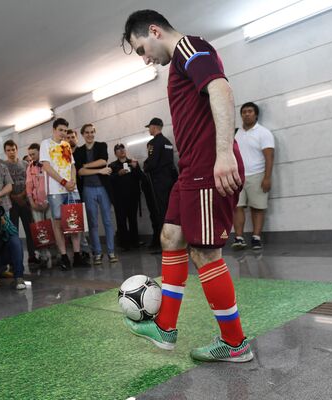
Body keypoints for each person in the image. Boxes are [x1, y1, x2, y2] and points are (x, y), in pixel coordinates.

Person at [122, 10, 252, 362]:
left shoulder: (189, 48)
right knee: (170, 236)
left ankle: (235, 342)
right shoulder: (180, 60)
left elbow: (220, 89)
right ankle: (165, 328)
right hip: (191, 171)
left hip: (209, 168)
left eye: (141, 49)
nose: (146, 59)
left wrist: (224, 152)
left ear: (153, 31)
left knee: (205, 253)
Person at [39, 118, 85, 270]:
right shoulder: (45, 144)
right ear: (54, 129)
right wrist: (64, 182)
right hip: (56, 191)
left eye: (66, 131)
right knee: (58, 224)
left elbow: (72, 165)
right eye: (61, 130)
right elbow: (46, 166)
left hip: (71, 189)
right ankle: (64, 256)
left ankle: (77, 255)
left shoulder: (66, 145)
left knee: (75, 222)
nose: (64, 133)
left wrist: (72, 181)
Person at [232, 102, 275, 250]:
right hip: (238, 177)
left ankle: (256, 238)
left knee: (257, 208)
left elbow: (269, 157)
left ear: (256, 114)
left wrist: (267, 178)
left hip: (257, 175)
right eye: (244, 112)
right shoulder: (236, 134)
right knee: (237, 207)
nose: (246, 114)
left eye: (250, 111)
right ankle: (239, 238)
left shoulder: (264, 133)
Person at [74, 124, 118, 265]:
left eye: (92, 132)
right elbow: (79, 172)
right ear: (82, 134)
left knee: (107, 221)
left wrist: (86, 165)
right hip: (88, 189)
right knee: (92, 223)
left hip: (103, 188)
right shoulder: (79, 151)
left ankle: (111, 252)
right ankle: (97, 253)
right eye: (87, 132)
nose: (90, 135)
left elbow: (103, 161)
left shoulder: (101, 145)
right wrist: (99, 171)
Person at [2, 139, 39, 266]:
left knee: (30, 229)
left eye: (13, 149)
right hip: (11, 203)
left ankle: (32, 255)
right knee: (14, 231)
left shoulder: (25, 164)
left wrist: (23, 195)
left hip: (25, 201)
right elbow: (4, 185)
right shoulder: (3, 166)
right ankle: (15, 258)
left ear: (17, 150)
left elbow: (30, 182)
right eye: (8, 150)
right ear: (5, 152)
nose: (11, 152)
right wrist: (13, 196)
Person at [143, 117, 178, 249]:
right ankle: (174, 239)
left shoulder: (153, 143)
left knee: (160, 211)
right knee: (170, 210)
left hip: (157, 182)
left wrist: (144, 166)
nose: (149, 130)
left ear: (154, 127)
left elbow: (151, 163)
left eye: (149, 127)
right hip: (169, 180)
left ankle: (164, 242)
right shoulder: (167, 142)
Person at [109, 144, 142, 250]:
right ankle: (124, 243)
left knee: (133, 219)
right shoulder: (112, 166)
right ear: (115, 153)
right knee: (121, 220)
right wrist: (118, 174)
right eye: (118, 149)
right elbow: (108, 181)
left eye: (123, 148)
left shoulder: (132, 162)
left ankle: (135, 241)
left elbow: (141, 177)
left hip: (132, 196)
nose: (121, 150)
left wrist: (136, 168)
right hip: (119, 199)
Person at [66, 129, 92, 261]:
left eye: (72, 137)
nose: (70, 139)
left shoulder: (82, 152)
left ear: (76, 138)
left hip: (84, 190)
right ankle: (78, 250)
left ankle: (85, 249)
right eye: (68, 137)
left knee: (84, 224)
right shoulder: (64, 153)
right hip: (71, 193)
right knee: (74, 223)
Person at [26, 143, 50, 267]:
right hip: (35, 203)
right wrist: (31, 203)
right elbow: (28, 186)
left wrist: (47, 201)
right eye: (29, 155)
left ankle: (56, 255)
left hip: (49, 202)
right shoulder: (30, 167)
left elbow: (51, 183)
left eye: (33, 154)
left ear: (40, 152)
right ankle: (43, 256)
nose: (31, 157)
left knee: (51, 228)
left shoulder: (47, 164)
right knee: (40, 229)